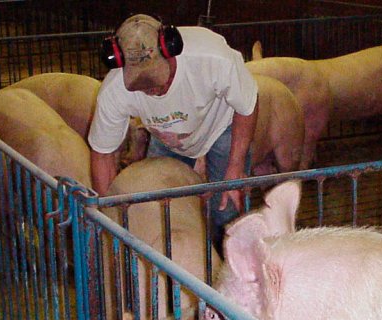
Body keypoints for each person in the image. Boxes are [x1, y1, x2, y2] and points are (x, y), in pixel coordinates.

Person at [88, 14, 258, 249]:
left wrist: (235, 167)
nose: (153, 90)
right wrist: (110, 216)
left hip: (221, 126)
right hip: (167, 137)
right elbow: (103, 154)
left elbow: (247, 106)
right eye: (141, 84)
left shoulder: (212, 58)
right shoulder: (113, 91)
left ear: (170, 50)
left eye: (158, 79)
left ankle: (229, 262)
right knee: (156, 208)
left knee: (226, 210)